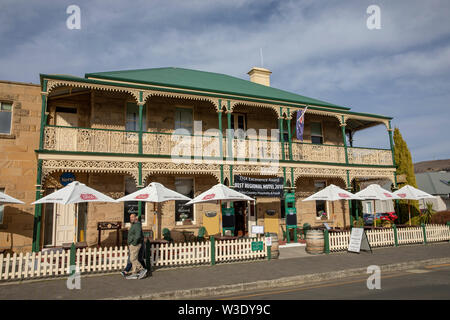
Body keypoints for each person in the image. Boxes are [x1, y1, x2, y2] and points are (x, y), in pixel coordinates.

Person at [124, 214, 147, 279]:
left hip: (135, 245)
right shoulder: (134, 225)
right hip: (133, 244)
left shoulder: (137, 225)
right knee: (134, 259)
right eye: (130, 217)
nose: (131, 218)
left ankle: (142, 269)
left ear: (136, 218)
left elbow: (138, 236)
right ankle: (134, 273)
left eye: (132, 217)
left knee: (132, 259)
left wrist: (133, 243)